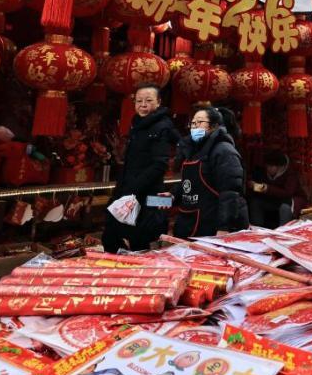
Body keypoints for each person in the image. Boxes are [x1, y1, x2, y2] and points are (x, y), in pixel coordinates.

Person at [102, 84, 177, 253]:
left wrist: (132, 188)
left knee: (140, 239)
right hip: (128, 190)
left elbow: (160, 164)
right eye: (139, 101)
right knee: (112, 234)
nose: (143, 104)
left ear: (158, 102)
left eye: (149, 100)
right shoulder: (138, 124)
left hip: (147, 193)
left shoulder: (162, 126)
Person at [172, 106, 248, 237]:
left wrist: (224, 227)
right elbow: (189, 184)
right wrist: (170, 196)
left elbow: (230, 192)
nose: (194, 127)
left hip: (214, 226)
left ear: (214, 126)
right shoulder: (192, 150)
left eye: (200, 122)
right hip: (191, 221)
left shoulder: (224, 151)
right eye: (193, 123)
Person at [248, 149, 305, 229]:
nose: (268, 168)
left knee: (285, 208)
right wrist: (254, 186)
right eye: (267, 166)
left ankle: (283, 230)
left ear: (279, 167)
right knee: (255, 202)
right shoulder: (263, 172)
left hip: (289, 202)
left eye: (271, 166)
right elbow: (262, 187)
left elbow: (287, 193)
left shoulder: (290, 174)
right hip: (272, 200)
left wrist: (266, 188)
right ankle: (257, 228)